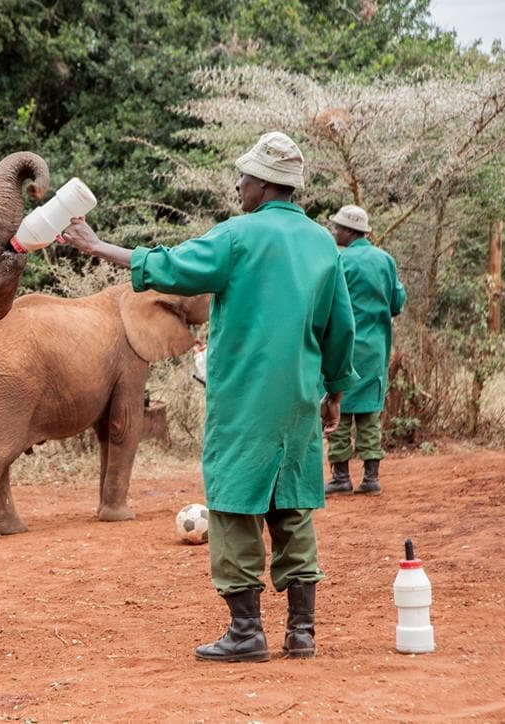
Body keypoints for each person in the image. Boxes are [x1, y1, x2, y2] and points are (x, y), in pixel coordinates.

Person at [59, 131, 358, 663]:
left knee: (233, 503)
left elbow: (169, 267)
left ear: (265, 184)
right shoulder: (322, 244)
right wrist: (334, 391)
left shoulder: (236, 237)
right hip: (297, 399)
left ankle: (245, 633)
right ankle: (302, 631)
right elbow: (341, 329)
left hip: (243, 398)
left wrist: (95, 244)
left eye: (244, 176)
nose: (238, 184)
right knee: (292, 503)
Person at [323, 205, 406, 496]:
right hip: (376, 349)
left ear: (349, 231)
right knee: (370, 411)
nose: (333, 231)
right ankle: (371, 478)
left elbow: (327, 303)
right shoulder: (385, 260)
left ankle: (341, 476)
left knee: (339, 408)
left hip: (343, 346)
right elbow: (397, 303)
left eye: (337, 227)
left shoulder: (339, 260)